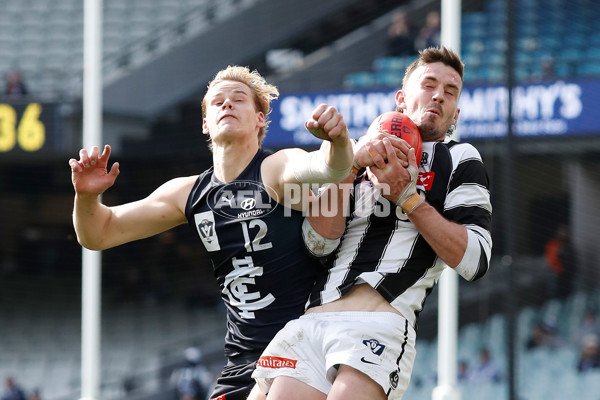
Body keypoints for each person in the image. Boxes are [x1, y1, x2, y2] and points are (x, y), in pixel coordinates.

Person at [68, 65, 354, 400]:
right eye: (217, 101)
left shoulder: (276, 168)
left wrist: (337, 142)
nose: (227, 105)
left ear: (260, 119)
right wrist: (86, 196)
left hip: (303, 351)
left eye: (238, 99)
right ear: (206, 123)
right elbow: (98, 234)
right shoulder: (187, 193)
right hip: (241, 363)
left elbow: (328, 167)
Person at [252, 46, 493, 400]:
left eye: (451, 91)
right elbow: (317, 243)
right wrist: (349, 167)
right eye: (429, 84)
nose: (439, 95)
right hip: (313, 321)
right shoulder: (352, 156)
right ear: (401, 99)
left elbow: (476, 259)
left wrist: (408, 198)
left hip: (377, 323)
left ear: (456, 111)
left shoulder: (459, 158)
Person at [544, 223, 577, 299]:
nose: (563, 234)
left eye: (565, 232)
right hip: (556, 275)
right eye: (562, 232)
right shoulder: (553, 245)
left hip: (566, 276)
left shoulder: (569, 247)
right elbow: (550, 260)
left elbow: (573, 263)